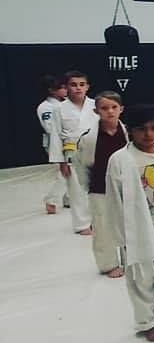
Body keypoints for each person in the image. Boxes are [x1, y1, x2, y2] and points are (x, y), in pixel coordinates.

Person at [105, 104, 154, 340]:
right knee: (141, 275)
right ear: (129, 130)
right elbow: (113, 198)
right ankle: (147, 321)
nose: (148, 134)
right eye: (141, 129)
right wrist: (120, 235)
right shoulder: (121, 159)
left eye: (153, 128)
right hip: (138, 226)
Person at [72, 90, 127, 276]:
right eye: (104, 108)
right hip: (99, 188)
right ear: (96, 112)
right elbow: (81, 165)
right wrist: (88, 186)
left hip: (127, 187)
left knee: (131, 224)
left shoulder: (129, 134)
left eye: (114, 107)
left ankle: (132, 260)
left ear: (121, 109)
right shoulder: (88, 138)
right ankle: (108, 264)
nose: (110, 112)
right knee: (103, 228)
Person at [54, 70, 98, 236]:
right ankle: (82, 224)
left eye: (82, 84)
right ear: (66, 87)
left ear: (87, 86)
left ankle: (98, 220)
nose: (78, 88)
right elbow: (56, 135)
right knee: (76, 190)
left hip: (94, 148)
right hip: (71, 151)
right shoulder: (59, 109)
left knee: (97, 189)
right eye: (73, 85)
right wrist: (61, 162)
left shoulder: (96, 105)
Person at [36, 74, 68, 215]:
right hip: (56, 142)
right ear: (51, 90)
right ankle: (51, 200)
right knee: (66, 172)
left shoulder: (66, 103)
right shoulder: (46, 107)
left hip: (70, 141)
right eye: (61, 87)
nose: (65, 89)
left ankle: (68, 198)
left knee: (74, 172)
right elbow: (50, 127)